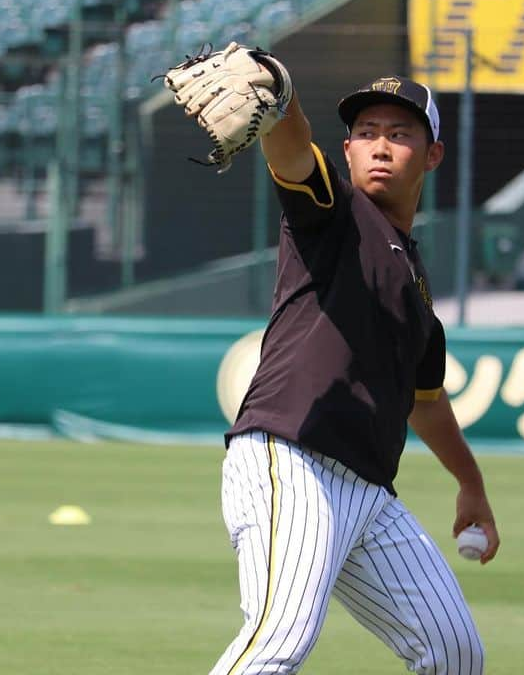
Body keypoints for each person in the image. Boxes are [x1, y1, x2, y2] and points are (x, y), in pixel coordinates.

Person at [210, 68, 500, 675]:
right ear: (347, 149)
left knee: (454, 652)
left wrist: (470, 483)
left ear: (432, 154)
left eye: (399, 133)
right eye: (366, 132)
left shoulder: (415, 283)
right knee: (278, 637)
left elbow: (425, 401)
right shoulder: (334, 214)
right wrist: (280, 95)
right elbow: (291, 151)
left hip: (368, 493)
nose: (380, 144)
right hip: (292, 459)